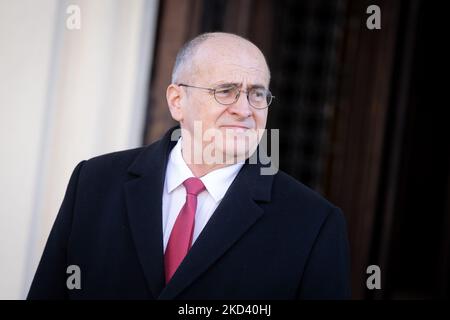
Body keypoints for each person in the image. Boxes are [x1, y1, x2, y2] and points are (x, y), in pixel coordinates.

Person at [28, 32, 351, 299]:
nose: (244, 109)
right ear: (177, 101)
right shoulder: (94, 182)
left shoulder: (314, 223)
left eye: (257, 94)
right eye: (226, 91)